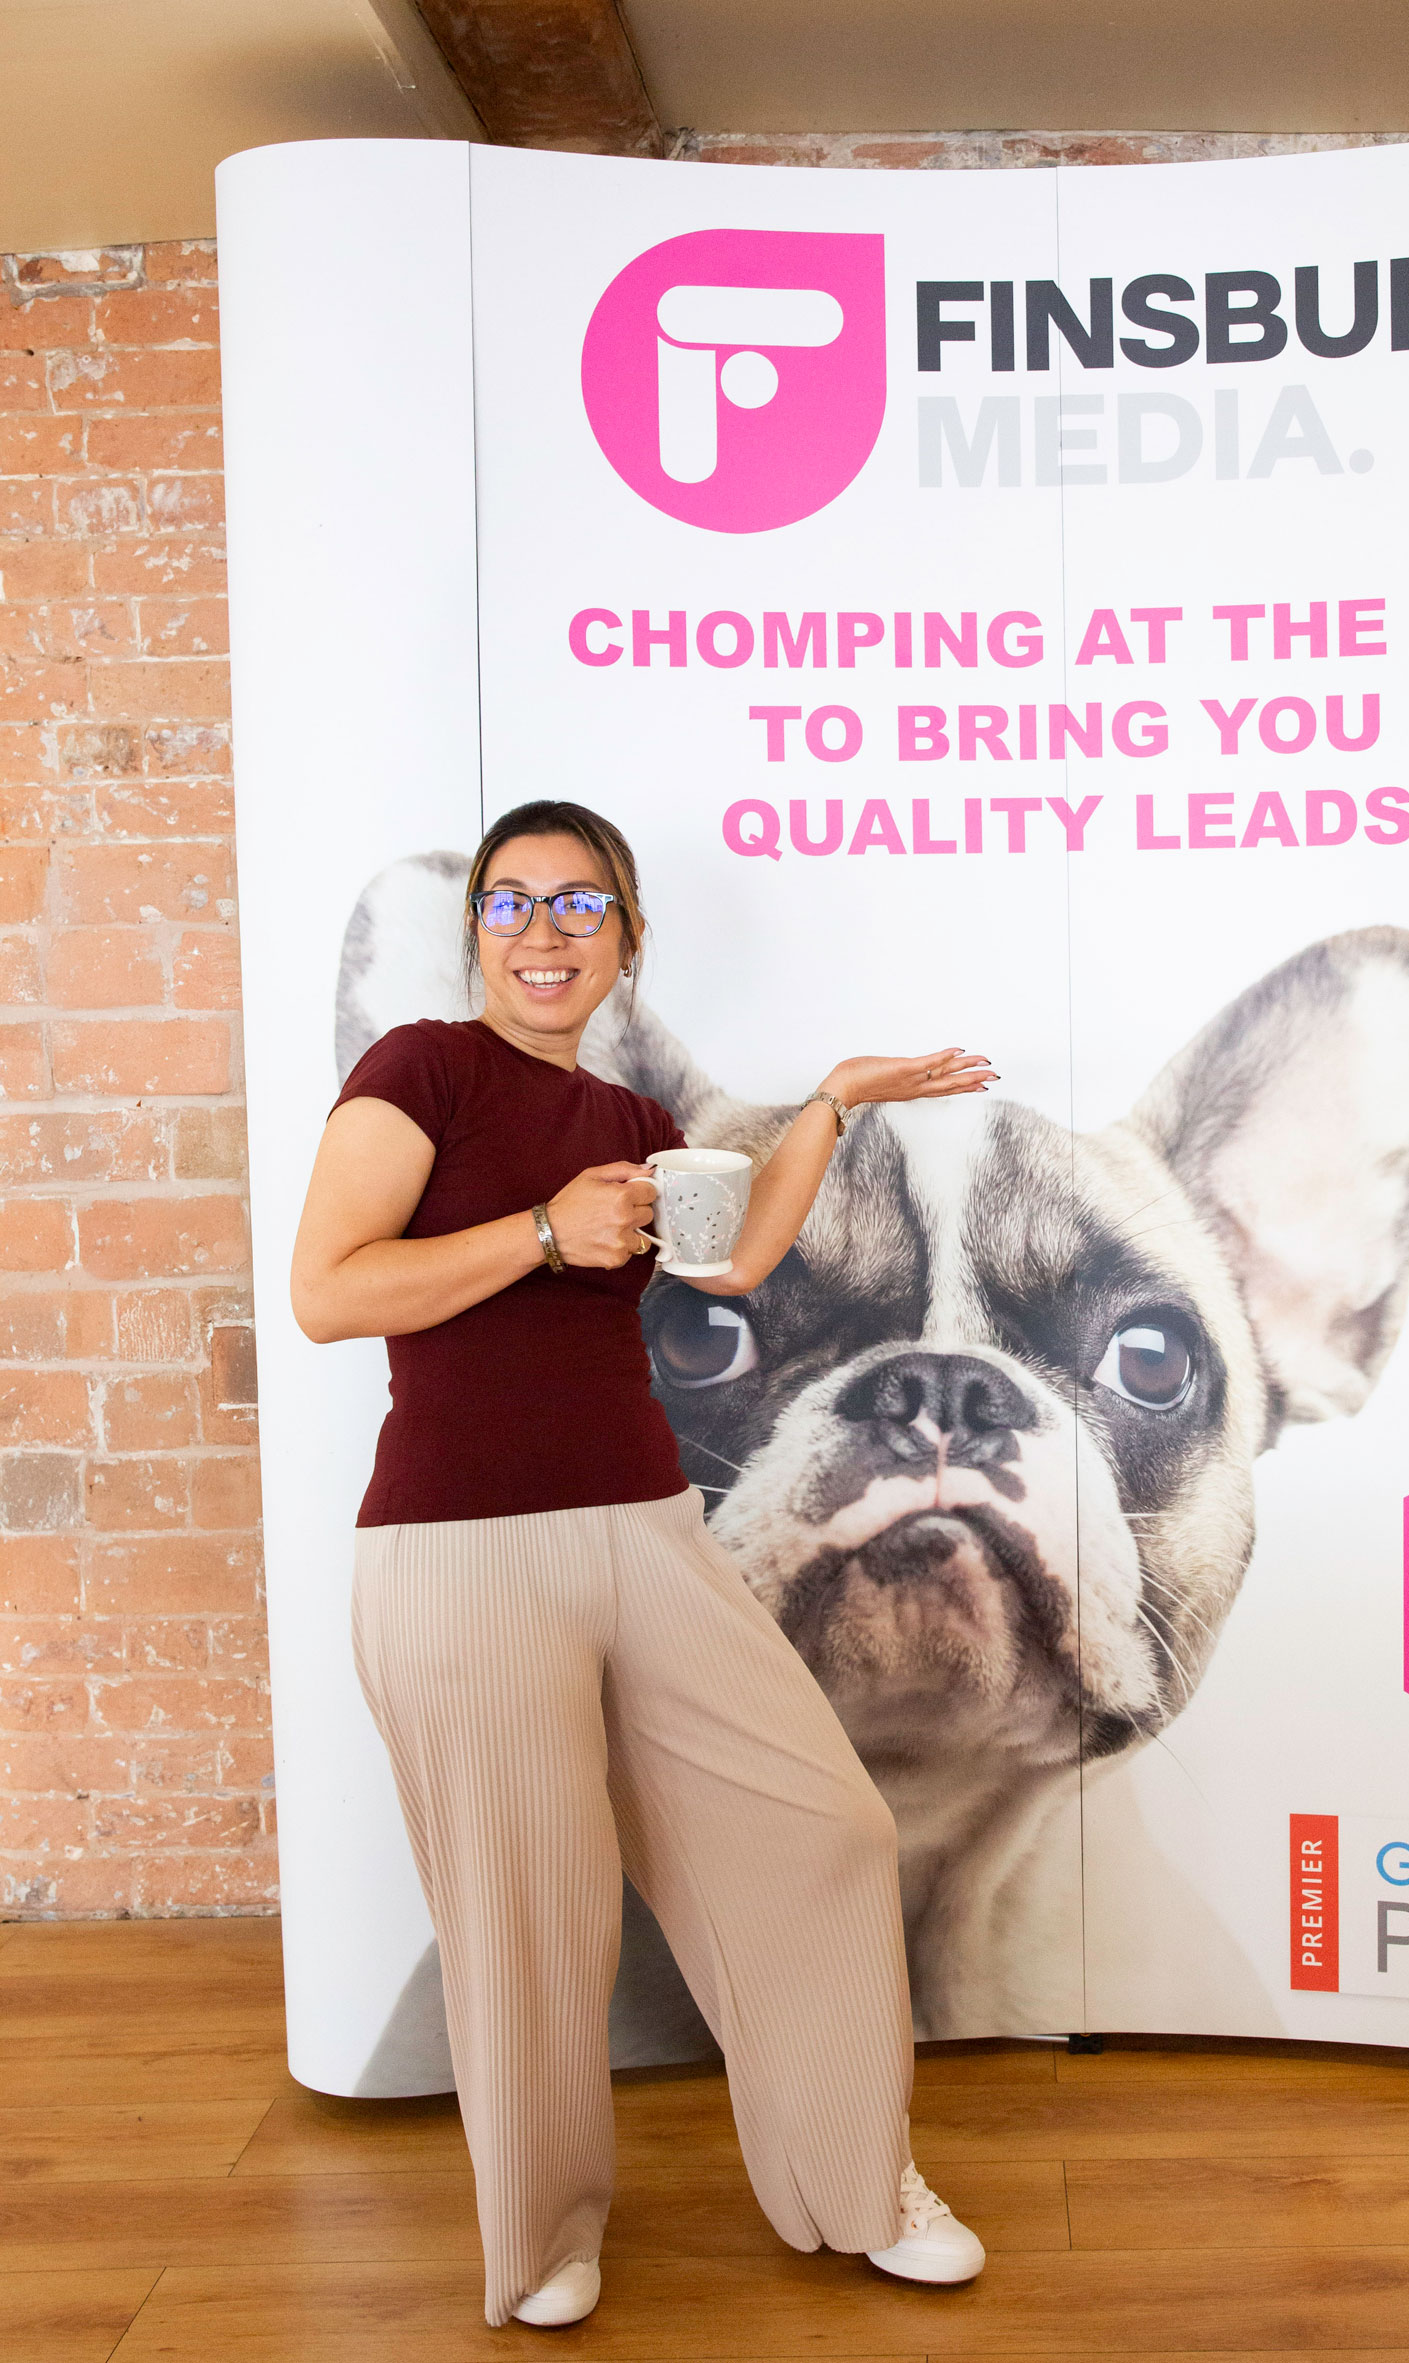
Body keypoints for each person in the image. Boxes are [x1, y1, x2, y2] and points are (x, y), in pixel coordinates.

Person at [290, 798, 995, 2328]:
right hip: (457, 1552)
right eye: (512, 902)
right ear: (476, 930)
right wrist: (541, 1236)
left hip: (651, 1533)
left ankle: (859, 2182)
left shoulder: (632, 1125)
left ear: (626, 940)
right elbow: (330, 1291)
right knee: (529, 1911)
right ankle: (544, 2241)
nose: (543, 932)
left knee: (824, 1831)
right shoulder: (419, 1071)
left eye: (579, 905)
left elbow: (735, 1260)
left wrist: (834, 1102)